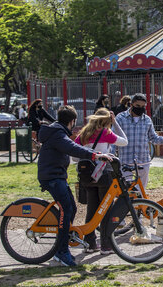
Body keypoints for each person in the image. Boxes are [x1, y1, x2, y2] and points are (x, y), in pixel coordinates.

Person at [37, 105, 112, 266]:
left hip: (56, 176)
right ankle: (62, 251)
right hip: (53, 178)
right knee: (67, 209)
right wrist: (96, 155)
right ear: (73, 121)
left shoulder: (56, 131)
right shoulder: (58, 134)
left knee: (72, 208)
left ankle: (64, 238)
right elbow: (73, 148)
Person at [74, 108, 128, 255]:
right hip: (104, 175)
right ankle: (106, 245)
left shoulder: (83, 134)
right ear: (107, 121)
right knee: (106, 210)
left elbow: (73, 157)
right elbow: (124, 141)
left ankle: (90, 243)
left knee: (92, 209)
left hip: (87, 176)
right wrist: (116, 122)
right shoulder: (105, 133)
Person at [115, 93, 163, 188]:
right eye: (137, 106)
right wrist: (112, 156)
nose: (140, 108)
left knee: (141, 192)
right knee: (125, 191)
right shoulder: (120, 118)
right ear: (131, 104)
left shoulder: (147, 120)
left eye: (143, 106)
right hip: (125, 161)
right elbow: (114, 138)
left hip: (143, 161)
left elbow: (153, 138)